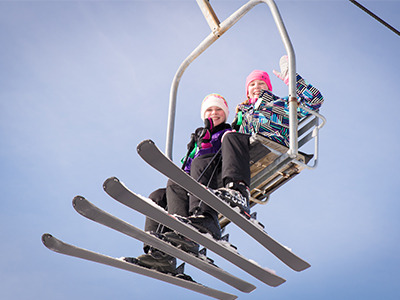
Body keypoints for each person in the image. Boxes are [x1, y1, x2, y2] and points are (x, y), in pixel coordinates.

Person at [124, 93, 254, 274]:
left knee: (199, 163)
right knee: (158, 195)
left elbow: (215, 157)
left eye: (219, 110)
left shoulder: (228, 133)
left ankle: (198, 223)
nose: (214, 113)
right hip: (196, 177)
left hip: (215, 175)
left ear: (225, 113)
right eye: (209, 110)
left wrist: (207, 144)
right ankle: (160, 252)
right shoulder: (197, 138)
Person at [233, 55, 324, 147]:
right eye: (252, 84)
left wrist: (292, 80)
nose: (256, 86)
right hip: (248, 151)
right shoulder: (241, 115)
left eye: (261, 83)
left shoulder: (281, 105)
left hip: (274, 144)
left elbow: (315, 100)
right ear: (247, 93)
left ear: (269, 88)